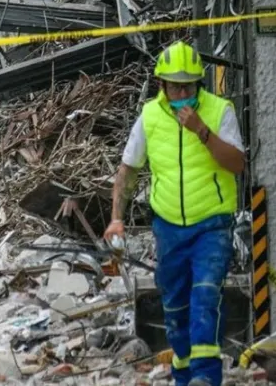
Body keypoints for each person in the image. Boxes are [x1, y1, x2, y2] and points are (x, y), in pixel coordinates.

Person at [104, 40, 246, 386]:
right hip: (169, 227)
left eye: (188, 85)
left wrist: (202, 131)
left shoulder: (219, 110)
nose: (181, 91)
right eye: (174, 85)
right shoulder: (150, 116)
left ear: (200, 83)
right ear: (161, 85)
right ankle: (184, 375)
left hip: (212, 223)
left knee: (205, 295)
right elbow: (128, 170)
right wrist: (115, 217)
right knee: (176, 307)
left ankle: (206, 377)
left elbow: (237, 164)